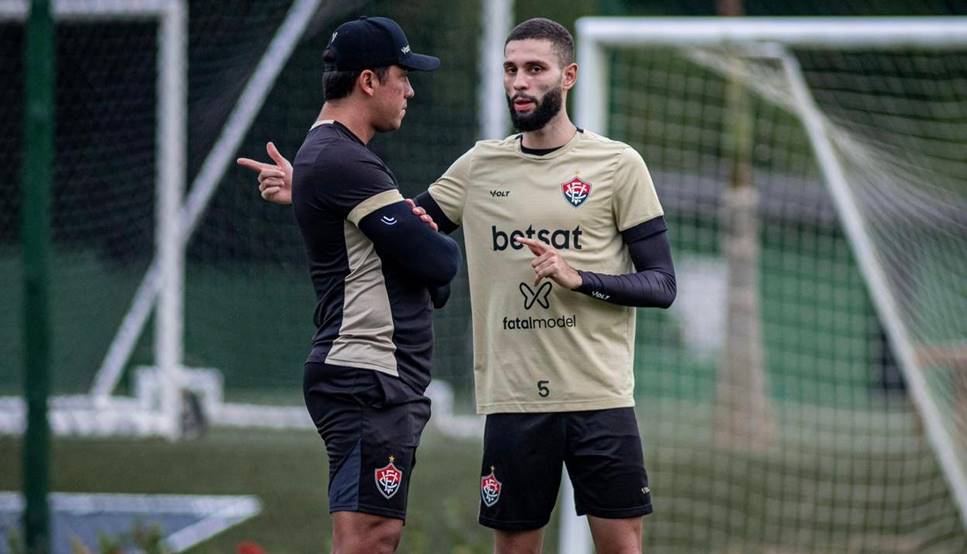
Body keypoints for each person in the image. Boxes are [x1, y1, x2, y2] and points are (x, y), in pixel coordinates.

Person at [244, 17, 676, 554]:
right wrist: (312, 187)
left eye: (535, 69)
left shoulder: (618, 164)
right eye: (510, 69)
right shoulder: (479, 165)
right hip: (513, 400)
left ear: (568, 76)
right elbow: (402, 230)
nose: (519, 81)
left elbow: (661, 285)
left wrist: (579, 277)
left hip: (601, 394)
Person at [237, 16, 460, 554]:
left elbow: (423, 267)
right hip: (367, 374)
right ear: (368, 81)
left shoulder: (330, 158)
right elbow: (439, 260)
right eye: (402, 75)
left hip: (376, 376)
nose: (409, 88)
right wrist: (430, 248)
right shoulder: (343, 159)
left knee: (374, 538)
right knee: (368, 540)